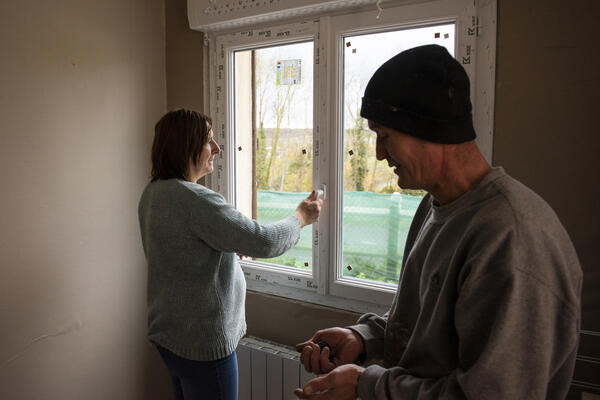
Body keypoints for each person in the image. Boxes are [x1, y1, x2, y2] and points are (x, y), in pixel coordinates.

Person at [294, 45, 582, 399]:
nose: (379, 154)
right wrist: (365, 340)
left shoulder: (511, 237)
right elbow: (428, 332)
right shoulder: (434, 207)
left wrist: (366, 385)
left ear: (429, 129)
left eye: (385, 136)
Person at [138, 109, 322, 400]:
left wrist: (223, 248)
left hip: (169, 338)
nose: (217, 149)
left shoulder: (154, 193)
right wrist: (301, 216)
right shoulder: (196, 200)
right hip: (203, 348)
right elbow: (265, 241)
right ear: (186, 146)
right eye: (208, 141)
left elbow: (181, 252)